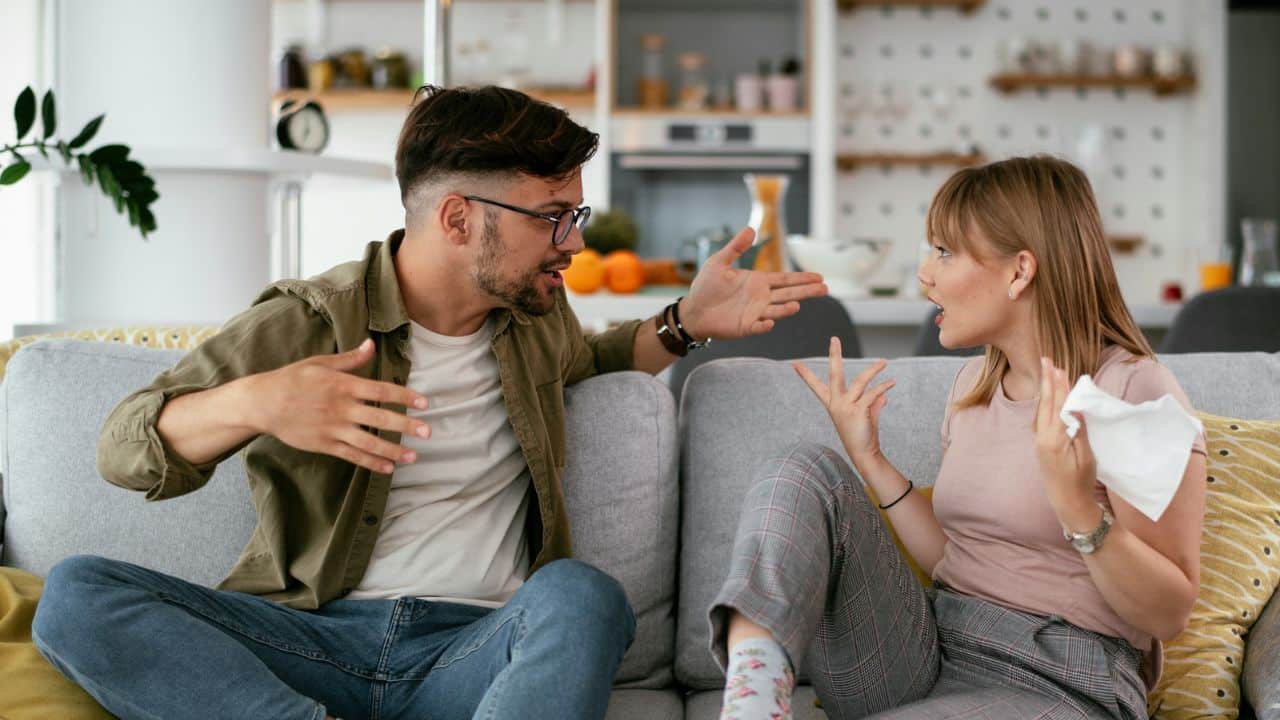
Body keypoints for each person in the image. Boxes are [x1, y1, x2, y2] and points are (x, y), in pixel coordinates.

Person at [29, 85, 827, 720]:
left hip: (474, 652)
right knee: (75, 595)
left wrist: (687, 322)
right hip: (313, 641)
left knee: (583, 596)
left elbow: (598, 359)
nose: (575, 243)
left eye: (574, 215)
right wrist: (257, 402)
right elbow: (122, 448)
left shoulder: (534, 321)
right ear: (457, 218)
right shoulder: (308, 322)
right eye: (555, 216)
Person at [710, 156, 1207, 720]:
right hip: (927, 647)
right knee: (802, 466)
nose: (925, 275)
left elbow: (1167, 614)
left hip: (1061, 679)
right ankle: (751, 705)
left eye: (944, 252)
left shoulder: (1134, 392)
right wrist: (870, 459)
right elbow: (959, 558)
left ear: (1020, 271)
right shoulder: (975, 385)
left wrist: (1076, 507)